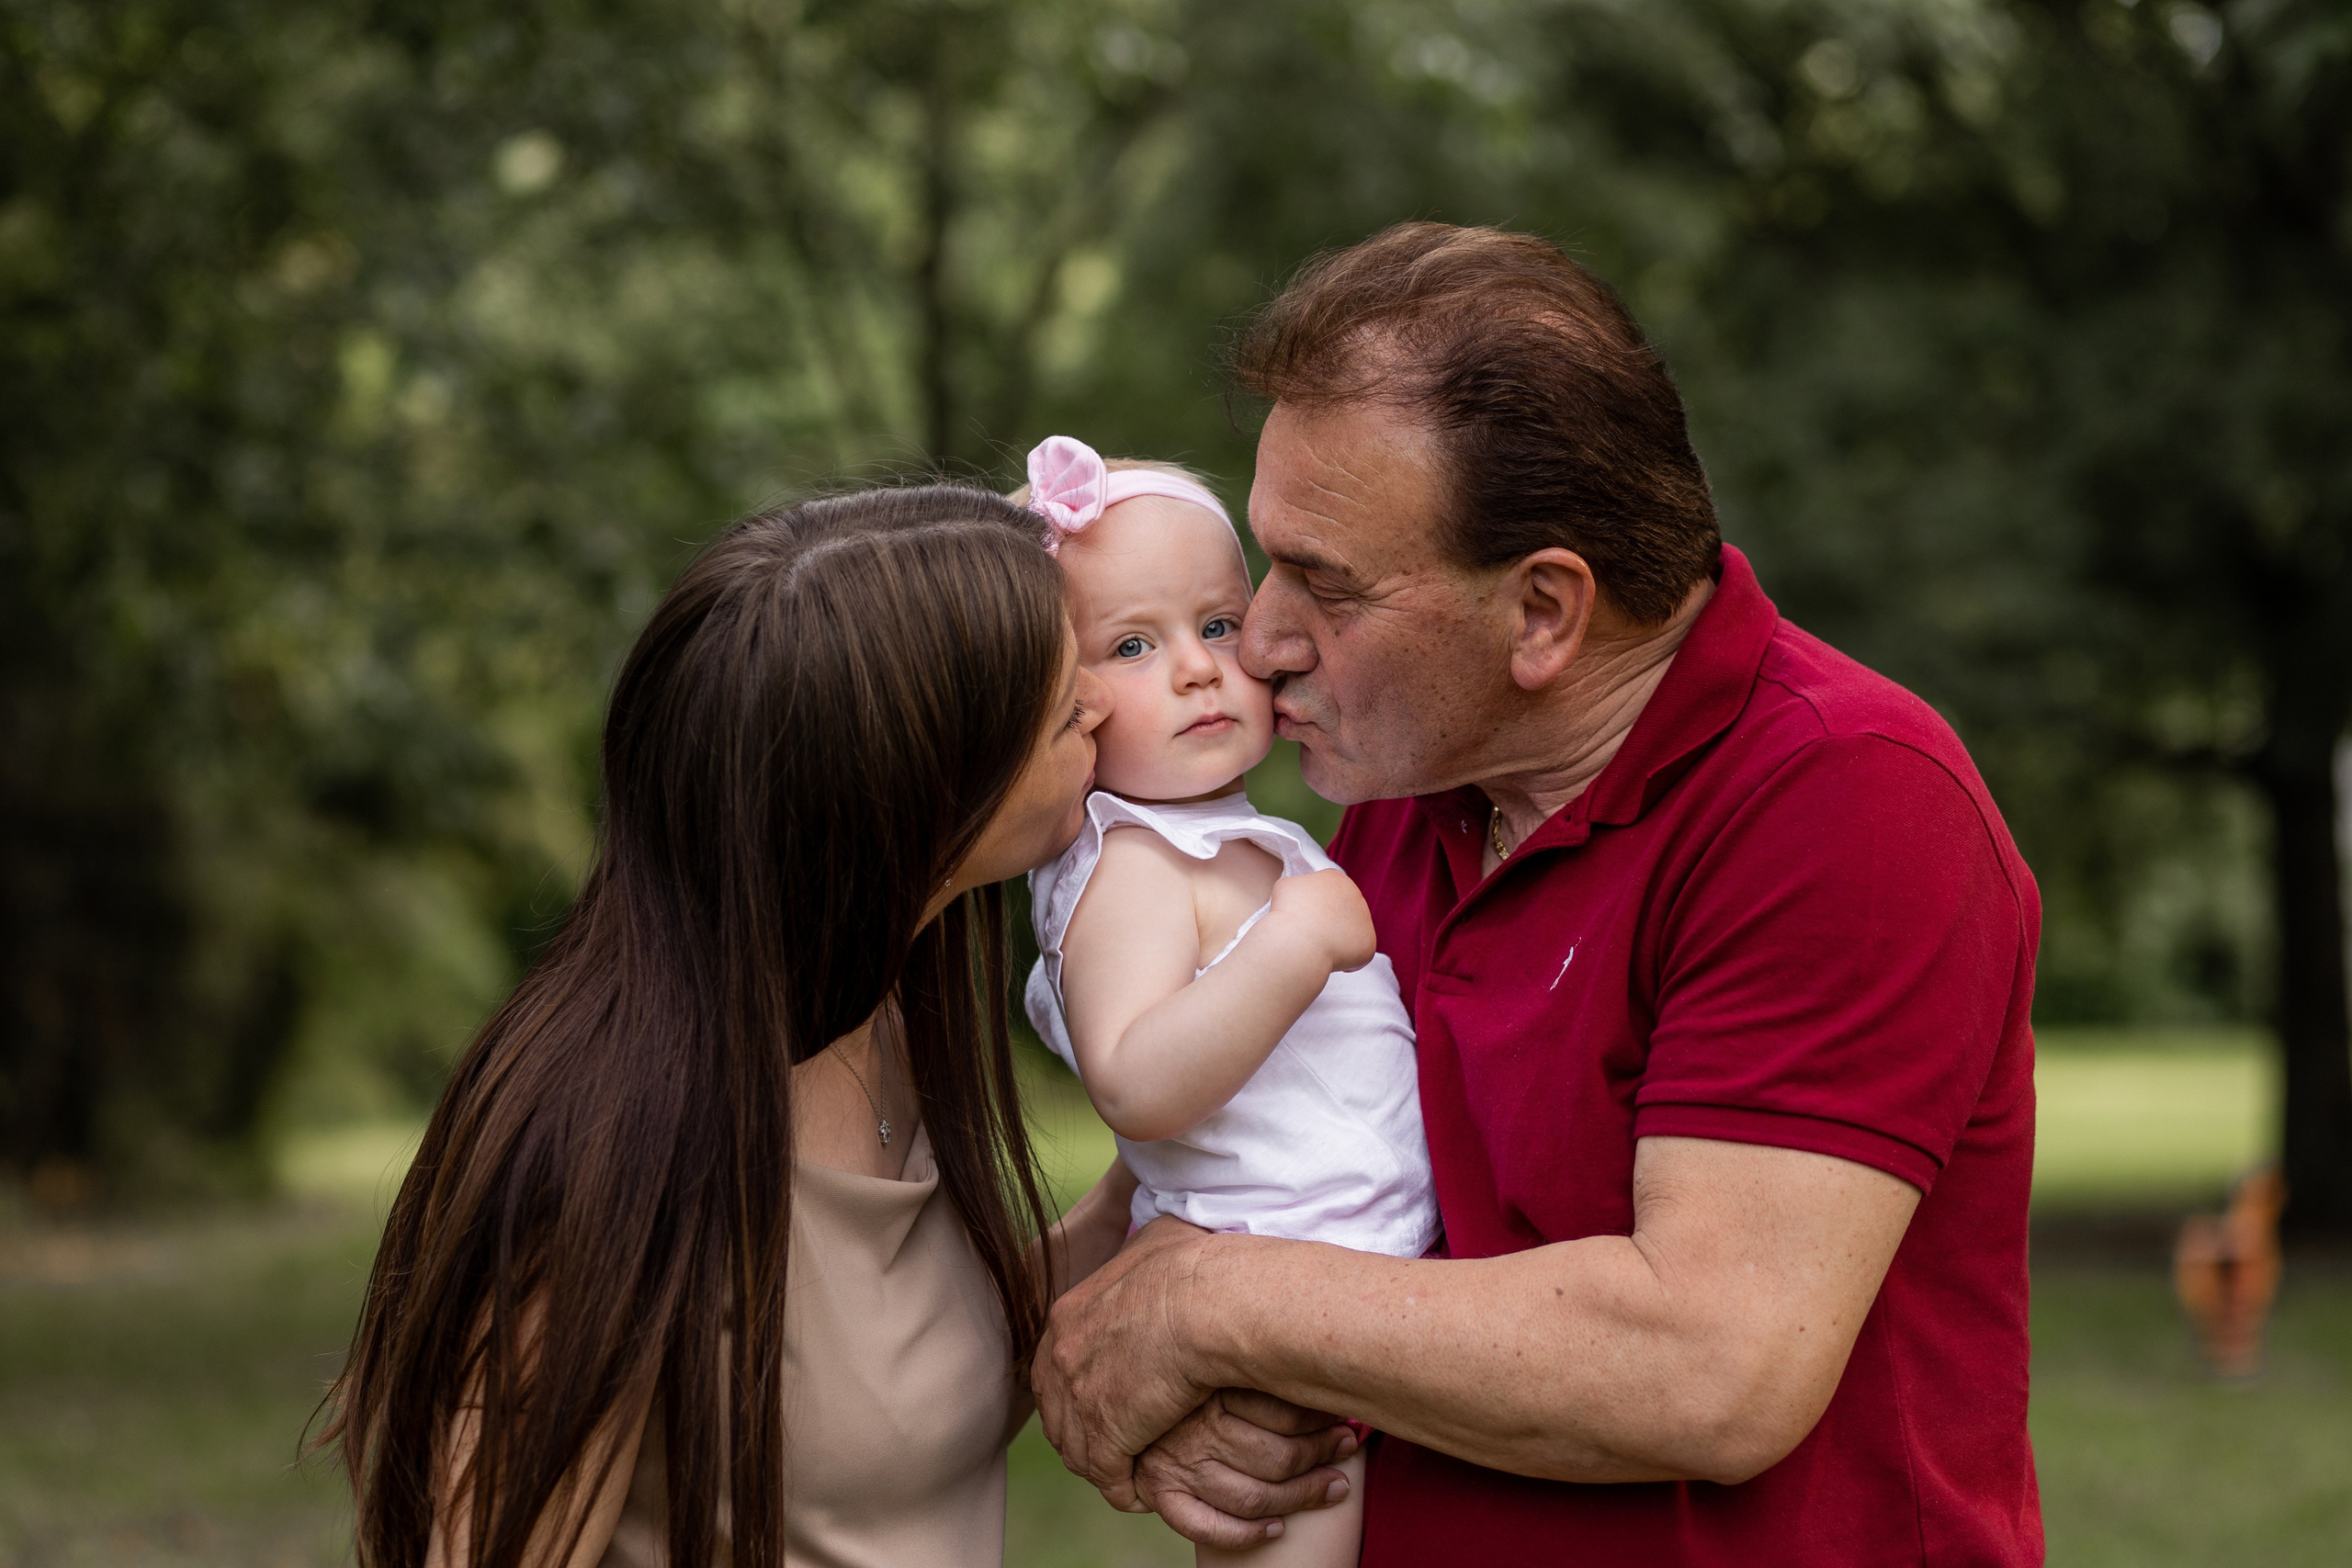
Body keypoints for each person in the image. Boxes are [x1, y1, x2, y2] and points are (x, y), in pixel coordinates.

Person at [1035, 222, 2045, 1565]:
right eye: (1263, 565)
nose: (1264, 640)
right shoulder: (1403, 791)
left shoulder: (1848, 802)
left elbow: (1710, 1363)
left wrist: (1216, 1305)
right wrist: (1100, 1329)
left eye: (1324, 585)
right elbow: (1240, 1171)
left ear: (1543, 613)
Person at [320, 485, 1348, 1568]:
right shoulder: (611, 1163)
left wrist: (1199, 1242)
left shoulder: (887, 1024)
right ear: (915, 790)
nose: (1102, 711)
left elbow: (891, 1386)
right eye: (1062, 710)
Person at [1012, 434, 1439, 1567]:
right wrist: (1294, 944)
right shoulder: (1133, 868)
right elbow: (1136, 1080)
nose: (1198, 669)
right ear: (1059, 697)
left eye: (1215, 624)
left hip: (1349, 1271)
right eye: (1133, 644)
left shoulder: (1219, 836)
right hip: (1275, 1314)